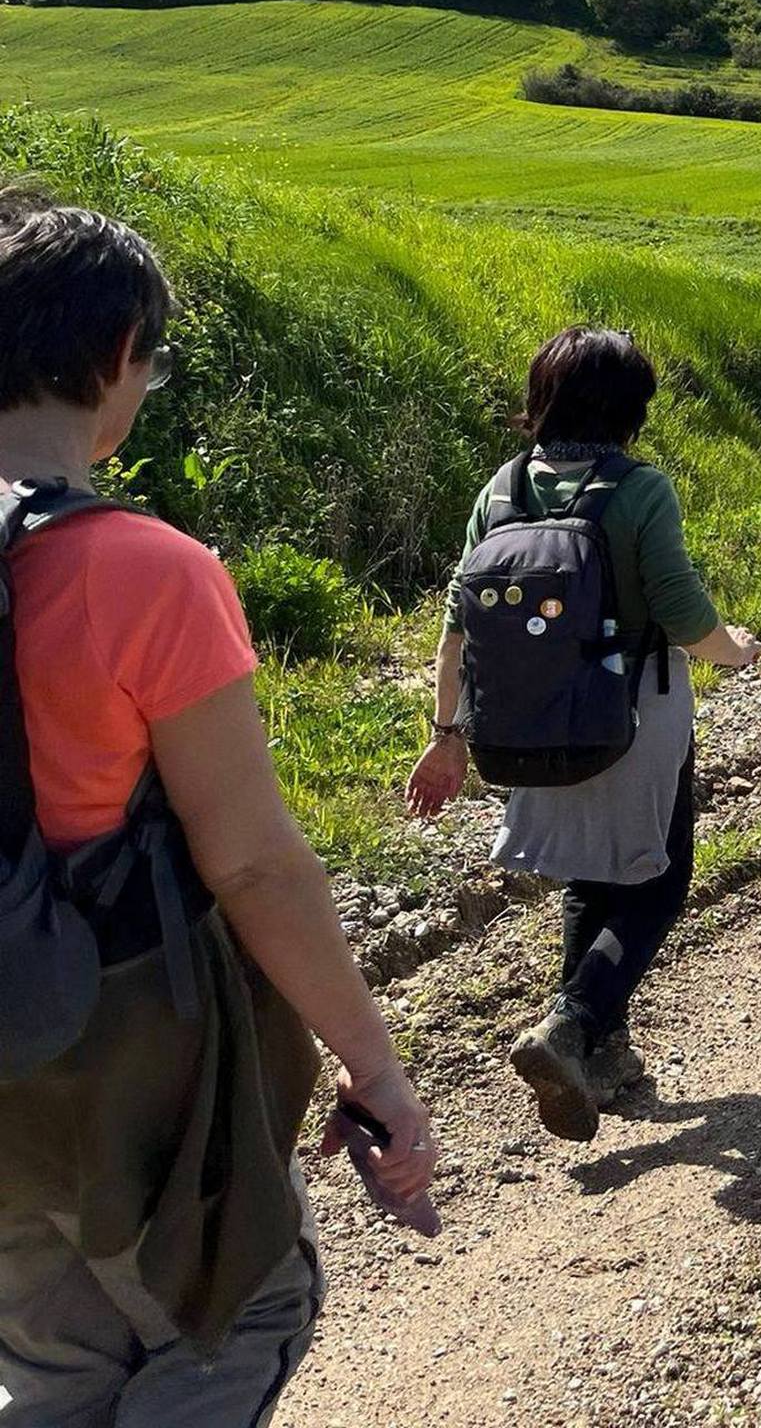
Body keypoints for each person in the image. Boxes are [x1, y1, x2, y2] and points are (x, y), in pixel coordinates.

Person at [0, 192, 438, 1426]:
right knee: (238, 1306)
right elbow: (251, 865)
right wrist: (377, 1068)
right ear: (111, 357)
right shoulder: (144, 570)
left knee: (56, 1360)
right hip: (117, 1041)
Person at [406, 326, 761, 1142]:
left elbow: (458, 627)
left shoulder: (501, 489)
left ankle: (602, 1054)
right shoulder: (640, 490)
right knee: (657, 882)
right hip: (634, 710)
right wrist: (735, 651)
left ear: (546, 397)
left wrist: (446, 734)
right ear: (630, 408)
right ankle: (570, 1025)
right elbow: (680, 610)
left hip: (523, 718)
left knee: (588, 882)